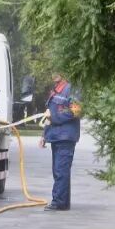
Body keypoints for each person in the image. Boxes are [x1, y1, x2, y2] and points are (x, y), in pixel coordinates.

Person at [38, 72, 81, 211]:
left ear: (64, 72)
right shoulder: (57, 90)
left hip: (66, 137)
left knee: (60, 170)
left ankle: (59, 202)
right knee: (59, 171)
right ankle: (63, 202)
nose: (53, 74)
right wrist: (44, 135)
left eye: (57, 72)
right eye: (53, 72)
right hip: (56, 136)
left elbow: (76, 110)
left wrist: (54, 117)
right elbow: (48, 115)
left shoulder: (72, 88)